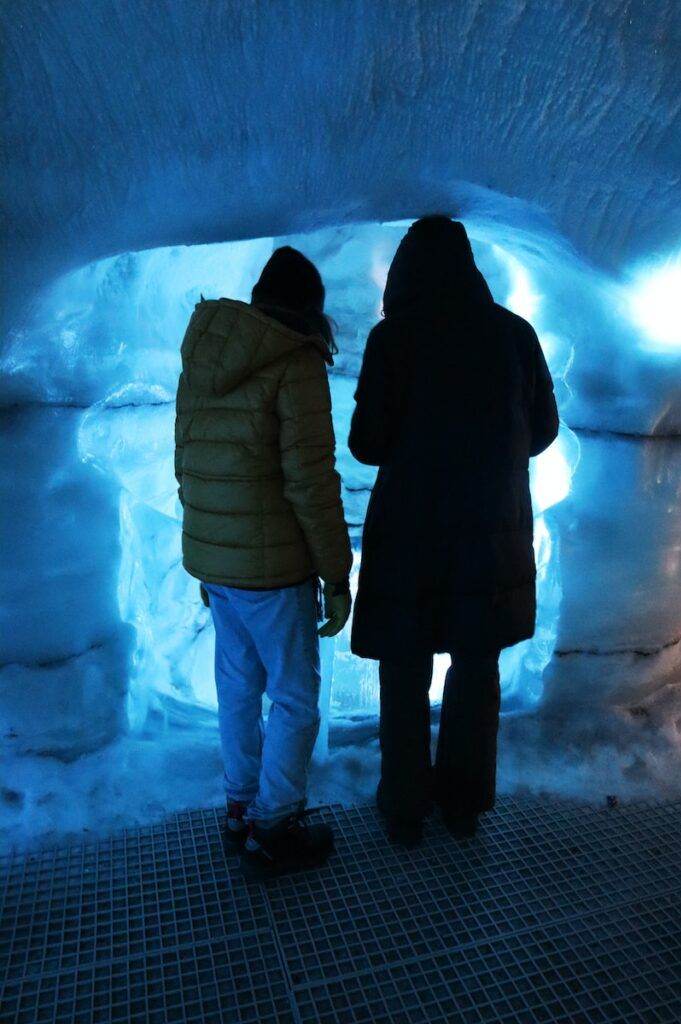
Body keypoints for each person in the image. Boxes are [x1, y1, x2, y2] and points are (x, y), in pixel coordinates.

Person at [348, 216, 559, 848]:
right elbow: (544, 430)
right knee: (475, 668)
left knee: (405, 669)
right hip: (490, 537)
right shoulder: (514, 335)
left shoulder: (394, 339)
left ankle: (405, 808)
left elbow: (367, 443)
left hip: (410, 539)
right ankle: (463, 806)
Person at [175, 247, 352, 878]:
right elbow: (310, 479)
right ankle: (273, 826)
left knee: (238, 690)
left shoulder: (204, 357)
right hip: (275, 572)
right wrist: (337, 572)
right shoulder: (294, 361)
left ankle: (240, 808)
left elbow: (188, 459)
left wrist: (205, 554)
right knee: (296, 699)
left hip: (220, 568)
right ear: (310, 307)